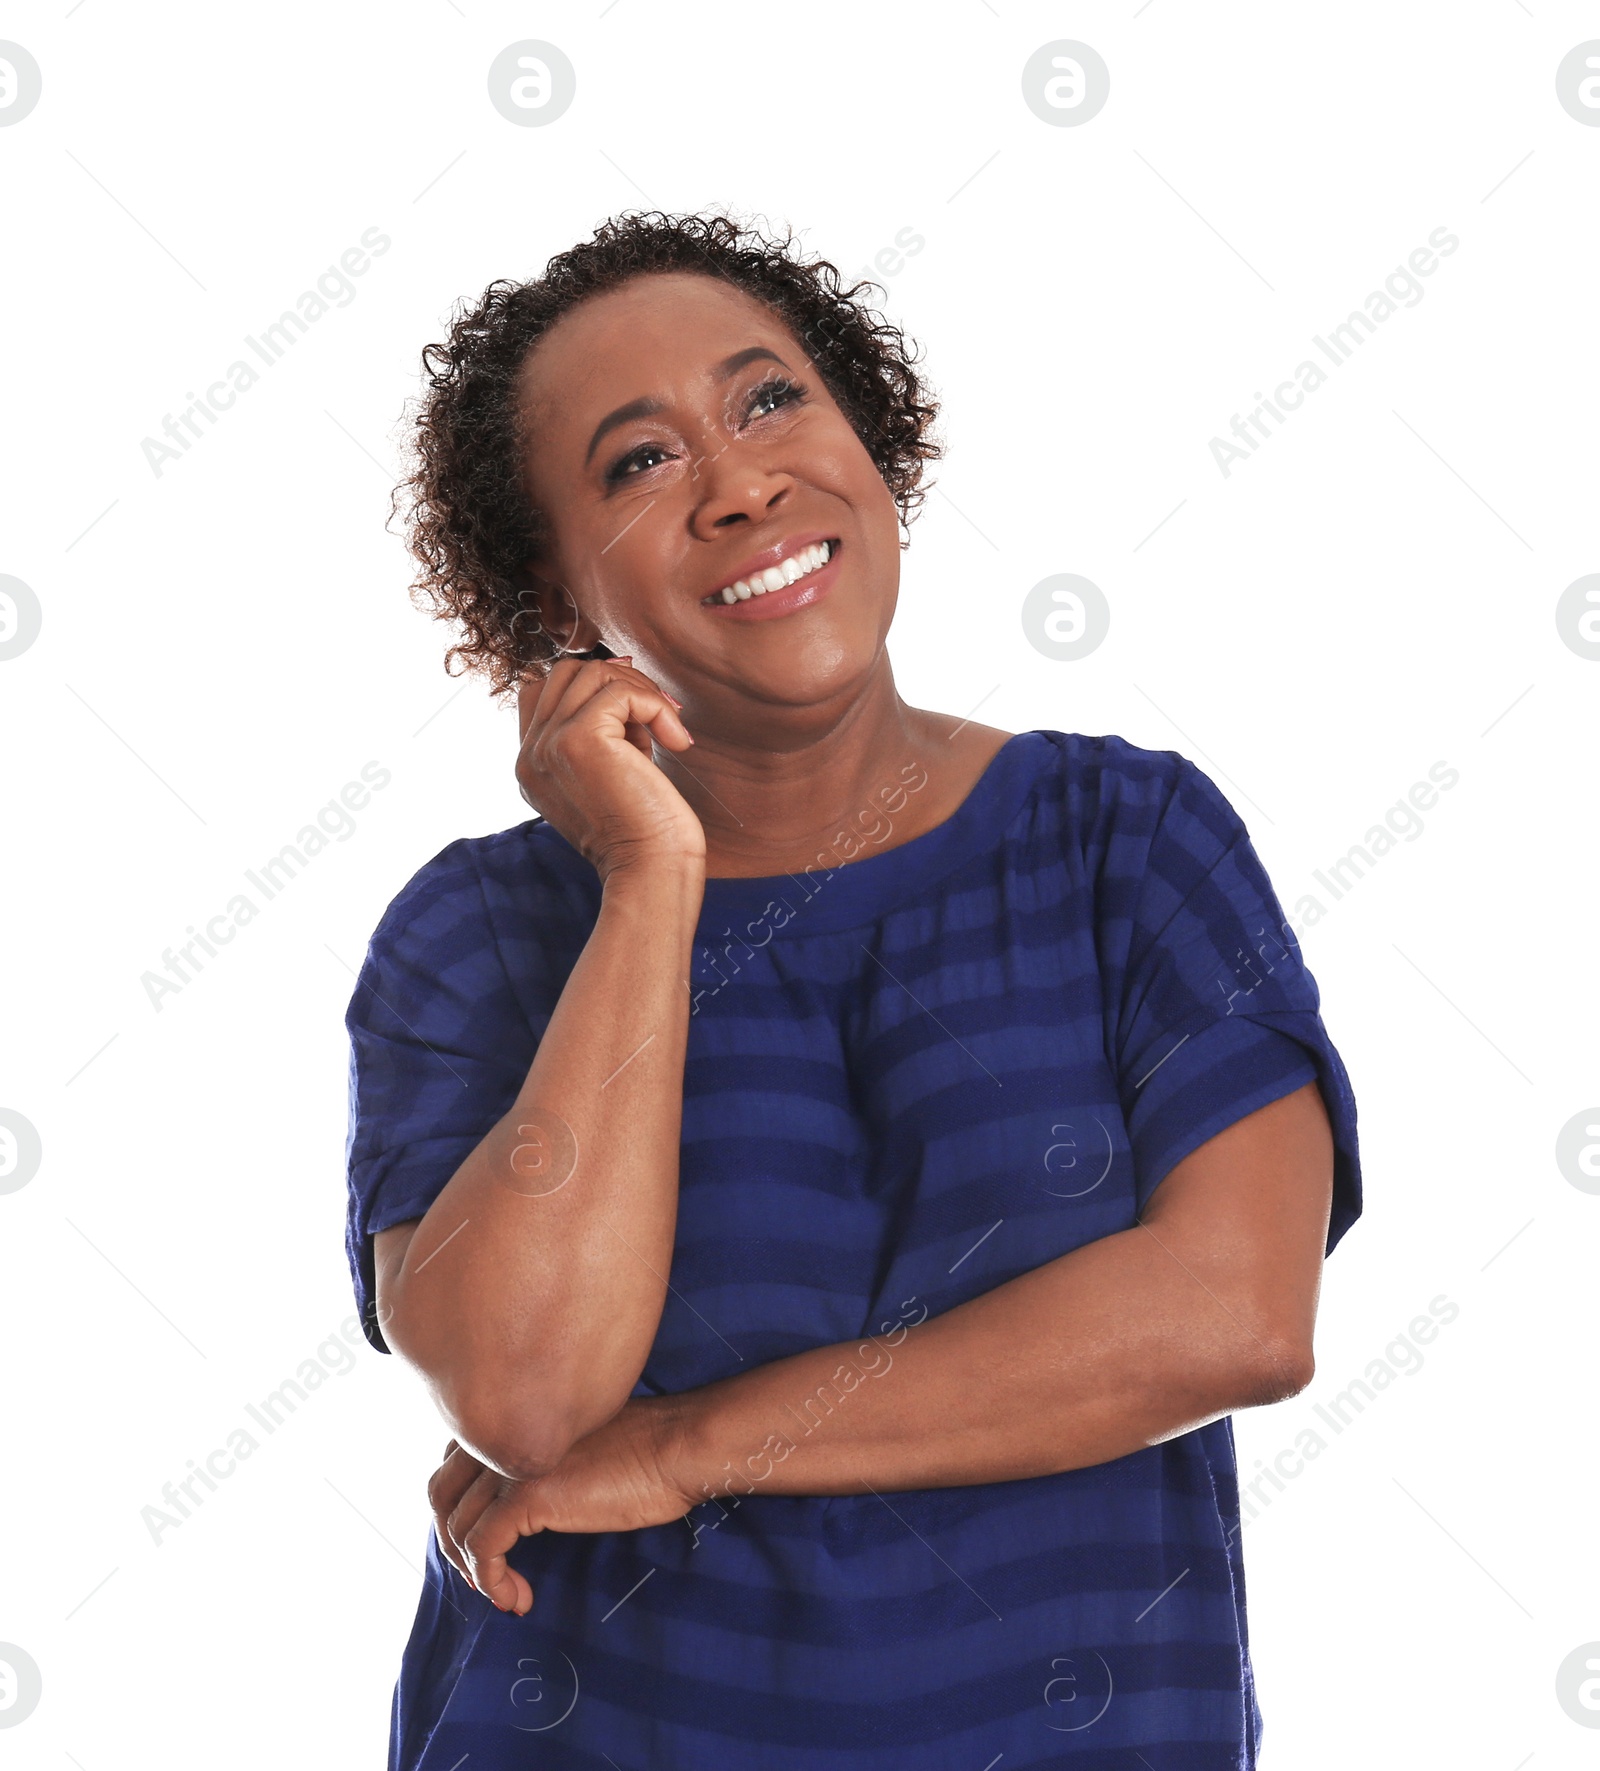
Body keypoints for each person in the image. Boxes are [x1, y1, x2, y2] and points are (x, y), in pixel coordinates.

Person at [342, 209, 1362, 1769]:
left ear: (867, 437)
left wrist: (688, 1448)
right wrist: (649, 885)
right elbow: (530, 1398)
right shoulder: (474, 936)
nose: (742, 480)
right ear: (553, 608)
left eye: (769, 402)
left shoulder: (1125, 841)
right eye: (637, 463)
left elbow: (1232, 1313)